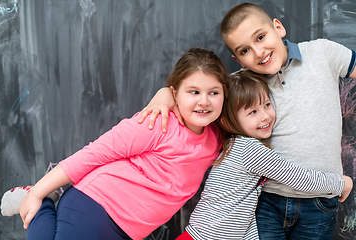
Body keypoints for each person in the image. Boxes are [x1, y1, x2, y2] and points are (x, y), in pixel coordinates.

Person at [137, 3, 356, 240]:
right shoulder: (240, 87)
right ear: (238, 60)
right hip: (267, 201)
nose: (259, 52)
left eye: (261, 37)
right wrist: (165, 94)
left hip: (320, 201)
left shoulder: (322, 52)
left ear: (278, 27)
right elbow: (197, 93)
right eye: (245, 51)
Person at [7, 48, 230, 240]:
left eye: (213, 92)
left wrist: (166, 94)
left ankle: (42, 198)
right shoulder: (154, 123)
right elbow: (93, 154)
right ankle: (40, 196)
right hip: (96, 204)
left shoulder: (216, 139)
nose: (204, 101)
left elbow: (247, 88)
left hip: (129, 232)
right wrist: (37, 194)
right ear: (175, 93)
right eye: (194, 92)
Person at [174, 70, 353, 240]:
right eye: (253, 112)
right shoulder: (248, 149)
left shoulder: (232, 144)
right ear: (228, 121)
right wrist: (340, 184)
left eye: (267, 105)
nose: (265, 116)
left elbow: (244, 211)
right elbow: (297, 177)